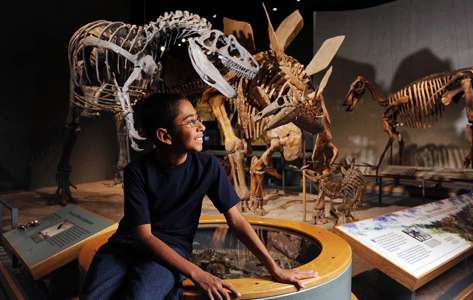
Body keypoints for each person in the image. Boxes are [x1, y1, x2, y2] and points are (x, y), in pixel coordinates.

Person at [80, 93, 317, 300]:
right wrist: (197, 273)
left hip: (172, 250)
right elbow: (144, 236)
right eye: (191, 121)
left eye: (198, 119)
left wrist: (274, 268)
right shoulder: (136, 172)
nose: (202, 127)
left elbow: (236, 221)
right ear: (165, 136)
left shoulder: (208, 167)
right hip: (127, 245)